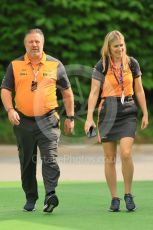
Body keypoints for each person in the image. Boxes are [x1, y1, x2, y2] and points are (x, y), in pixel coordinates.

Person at [1, 28, 74, 213]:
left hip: (48, 119)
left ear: (43, 43)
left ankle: (50, 194)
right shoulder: (15, 65)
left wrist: (70, 117)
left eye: (37, 42)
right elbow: (5, 90)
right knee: (27, 162)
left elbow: (67, 92)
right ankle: (31, 197)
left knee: (50, 158)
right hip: (23, 121)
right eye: (30, 42)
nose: (34, 44)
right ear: (25, 44)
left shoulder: (55, 64)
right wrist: (10, 110)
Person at [85, 30, 148, 212]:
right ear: (109, 48)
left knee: (126, 153)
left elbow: (139, 90)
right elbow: (94, 93)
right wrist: (89, 117)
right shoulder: (101, 66)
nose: (120, 49)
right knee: (109, 158)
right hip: (107, 112)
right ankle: (114, 198)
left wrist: (145, 112)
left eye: (122, 45)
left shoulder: (132, 63)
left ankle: (128, 194)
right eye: (116, 46)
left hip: (128, 109)